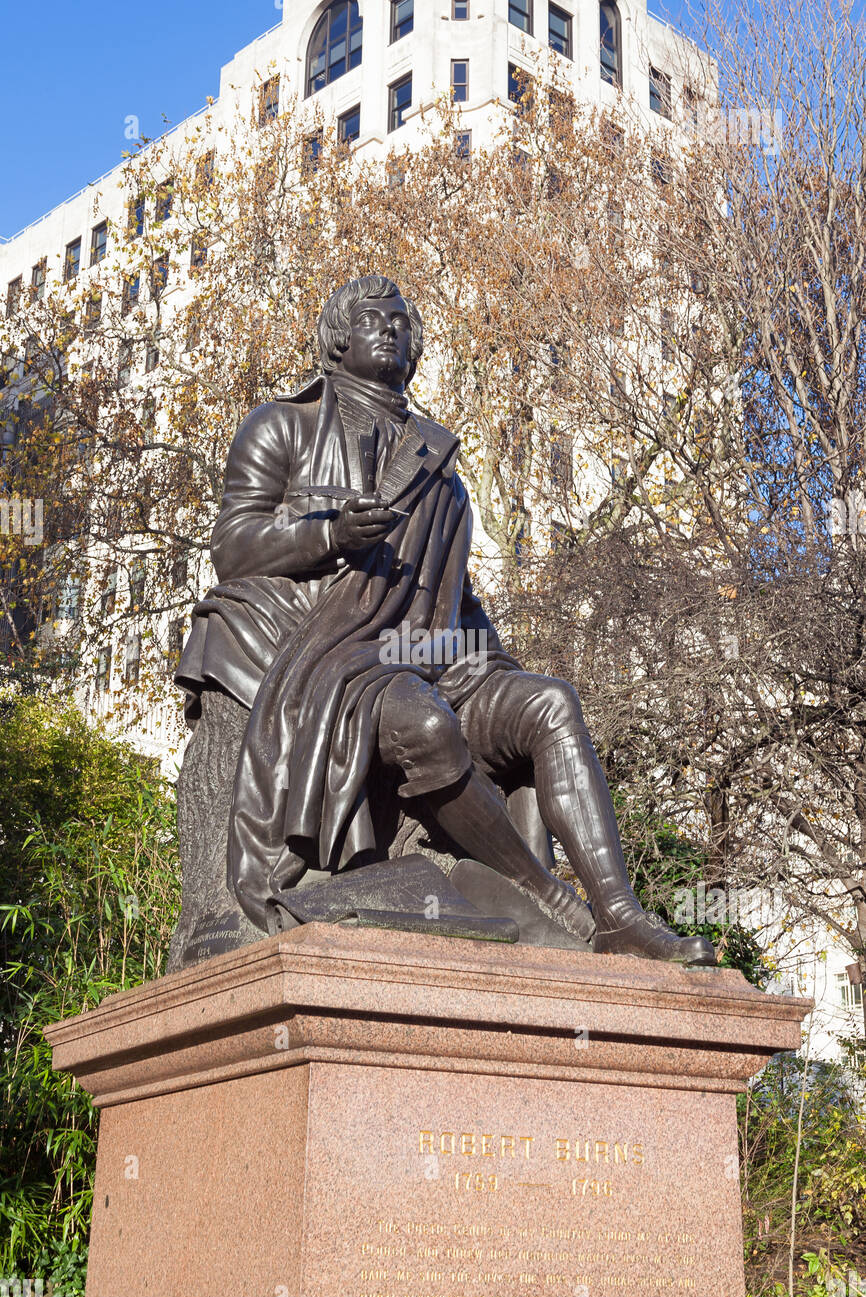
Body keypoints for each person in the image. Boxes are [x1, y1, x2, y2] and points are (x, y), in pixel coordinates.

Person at [176, 274, 714, 966]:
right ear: (338, 336)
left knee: (551, 702)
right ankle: (547, 900)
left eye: (403, 322)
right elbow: (233, 545)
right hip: (328, 656)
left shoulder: (442, 472)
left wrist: (494, 669)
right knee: (426, 726)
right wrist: (329, 535)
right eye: (375, 319)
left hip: (434, 655)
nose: (393, 329)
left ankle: (619, 918)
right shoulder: (284, 424)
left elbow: (454, 601)